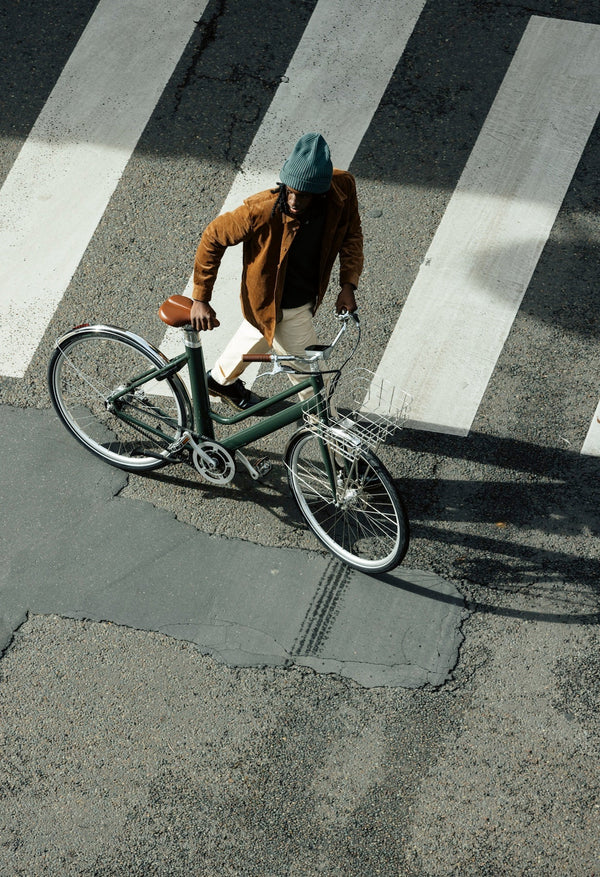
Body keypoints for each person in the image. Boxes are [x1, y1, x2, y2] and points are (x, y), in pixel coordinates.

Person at [190, 132, 363, 410]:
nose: (293, 201)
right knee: (314, 386)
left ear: (321, 193)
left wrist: (348, 284)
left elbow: (352, 233)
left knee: (261, 329)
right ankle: (330, 443)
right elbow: (213, 236)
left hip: (299, 296)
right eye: (289, 190)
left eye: (303, 196)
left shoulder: (342, 188)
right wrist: (201, 298)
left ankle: (219, 382)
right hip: (278, 304)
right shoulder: (259, 210)